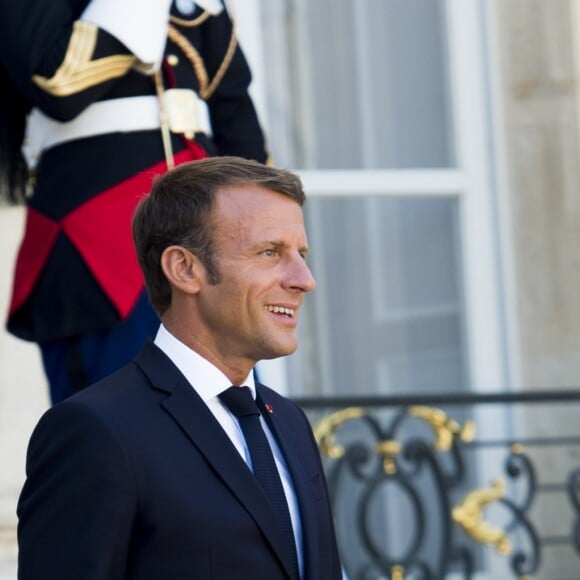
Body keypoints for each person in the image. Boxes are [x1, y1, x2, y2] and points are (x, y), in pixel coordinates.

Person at [17, 156, 343, 579]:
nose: (304, 278)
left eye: (300, 253)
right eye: (269, 252)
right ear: (184, 268)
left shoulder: (290, 424)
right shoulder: (96, 430)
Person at [0, 0, 269, 404]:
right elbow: (59, 81)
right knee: (128, 432)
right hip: (101, 236)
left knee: (232, 422)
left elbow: (234, 111)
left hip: (209, 222)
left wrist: (261, 234)